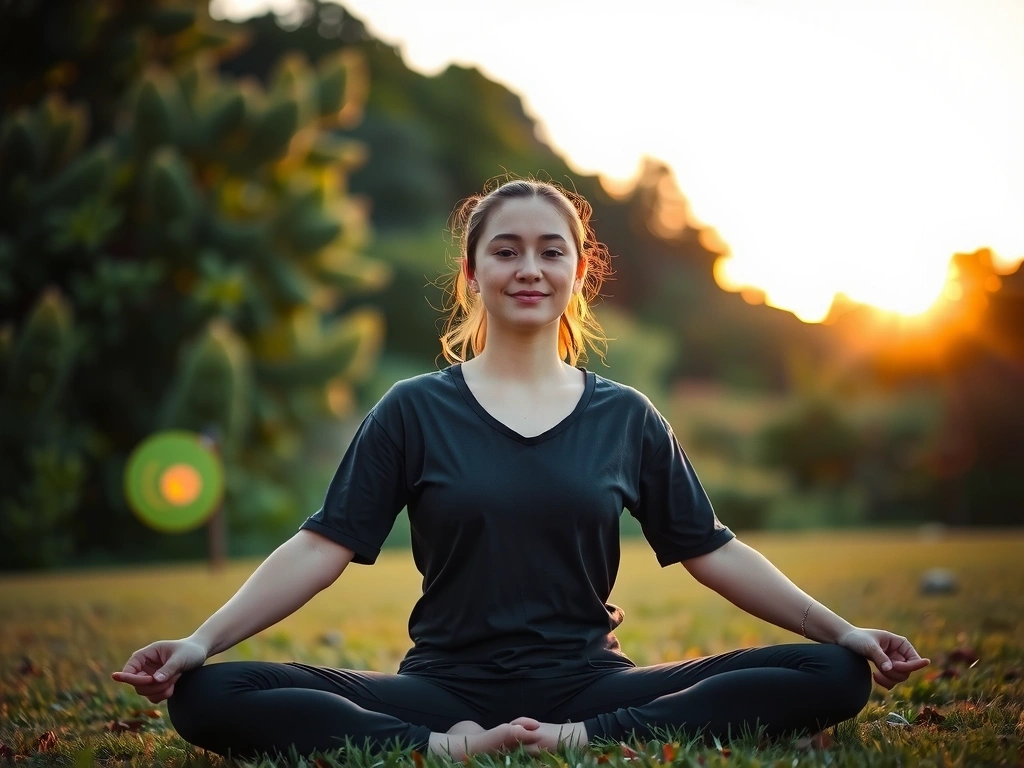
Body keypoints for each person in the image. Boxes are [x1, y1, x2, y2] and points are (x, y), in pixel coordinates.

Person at [112, 178, 930, 761]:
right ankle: (442, 751)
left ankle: (584, 744)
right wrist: (200, 639)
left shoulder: (626, 415)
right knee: (209, 695)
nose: (528, 268)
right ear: (473, 273)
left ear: (579, 271)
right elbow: (322, 546)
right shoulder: (413, 409)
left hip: (590, 687)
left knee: (830, 675)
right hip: (442, 689)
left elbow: (712, 551)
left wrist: (841, 630)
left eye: (550, 250)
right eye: (505, 251)